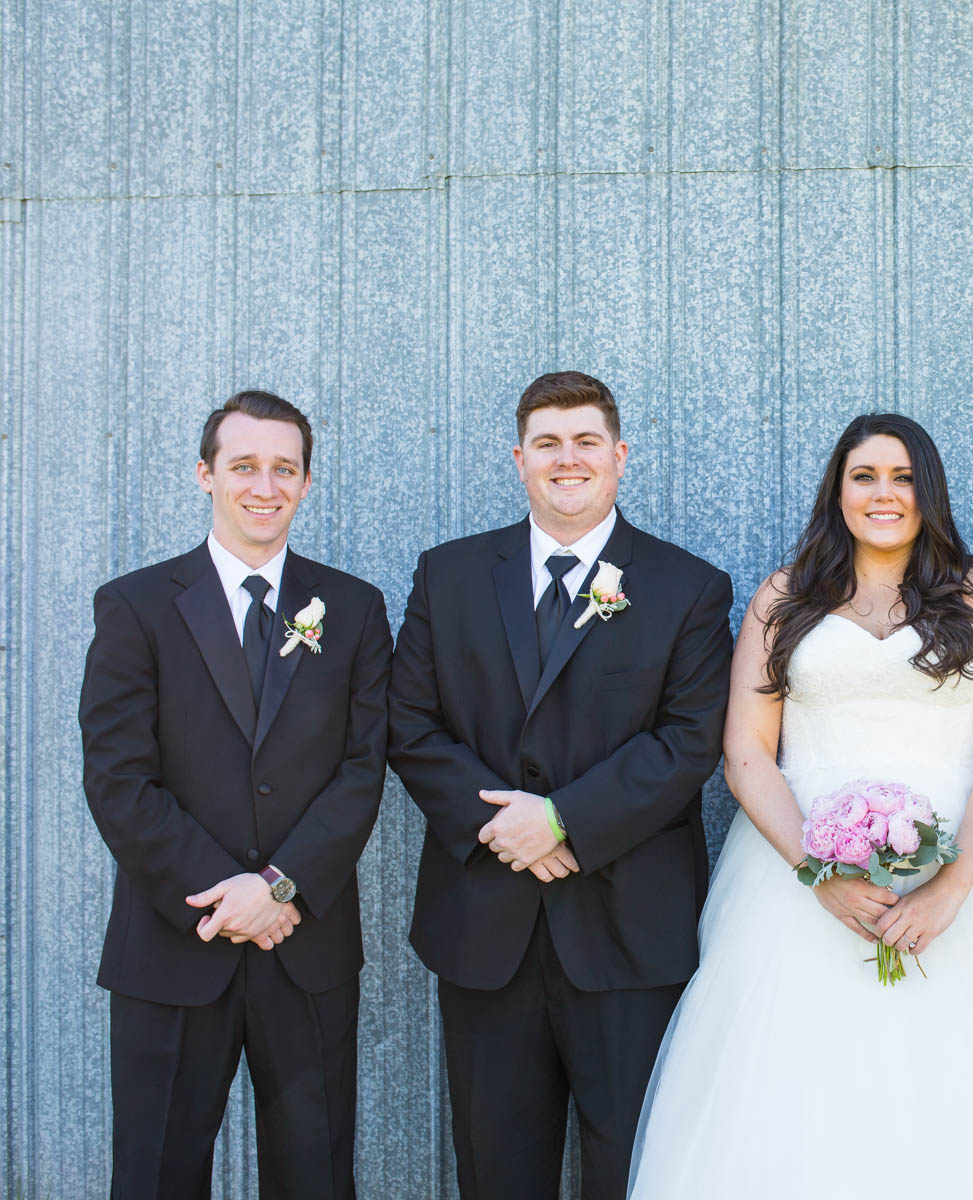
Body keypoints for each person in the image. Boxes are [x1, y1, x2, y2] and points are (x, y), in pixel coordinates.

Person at [628, 413, 973, 1199]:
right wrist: (819, 874)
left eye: (903, 476)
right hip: (794, 880)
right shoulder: (784, 597)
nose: (884, 494)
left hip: (962, 879)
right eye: (865, 476)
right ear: (837, 491)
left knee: (964, 1094)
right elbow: (746, 753)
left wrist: (951, 888)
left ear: (930, 490)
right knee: (796, 1094)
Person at [387, 371, 733, 1199]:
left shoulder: (688, 586)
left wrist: (565, 822)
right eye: (547, 443)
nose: (566, 459)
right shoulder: (449, 575)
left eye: (585, 442)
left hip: (626, 930)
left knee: (633, 1167)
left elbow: (689, 742)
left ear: (619, 456)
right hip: (485, 928)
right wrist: (506, 828)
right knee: (495, 1168)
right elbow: (409, 722)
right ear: (518, 458)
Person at [79, 389, 391, 1199]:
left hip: (306, 943)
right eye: (244, 465)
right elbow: (118, 779)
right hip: (174, 945)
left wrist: (280, 887)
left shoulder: (353, 610)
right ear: (204, 474)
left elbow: (363, 769)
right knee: (155, 1177)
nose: (265, 485)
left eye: (284, 468)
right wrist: (231, 899)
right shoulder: (135, 606)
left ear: (308, 483)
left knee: (316, 1179)